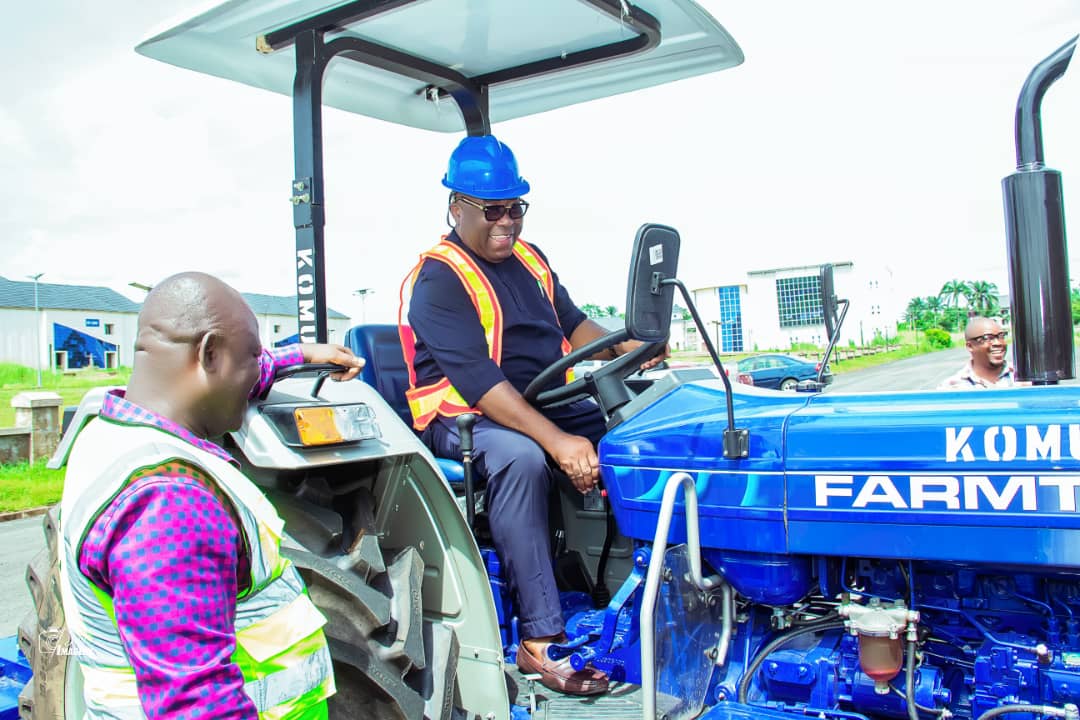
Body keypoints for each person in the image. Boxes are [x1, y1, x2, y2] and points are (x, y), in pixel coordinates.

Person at [399, 134, 664, 696]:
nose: (507, 221)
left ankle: (658, 593)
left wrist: (623, 345)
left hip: (537, 401)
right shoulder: (438, 279)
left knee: (643, 436)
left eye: (515, 207)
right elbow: (480, 384)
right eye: (492, 210)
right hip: (464, 419)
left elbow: (575, 325)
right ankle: (540, 641)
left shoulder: (530, 259)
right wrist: (559, 443)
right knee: (522, 458)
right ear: (456, 207)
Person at [58, 271, 363, 719]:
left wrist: (300, 355)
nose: (257, 376)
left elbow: (231, 373)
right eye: (252, 359)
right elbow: (197, 705)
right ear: (208, 354)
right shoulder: (170, 505)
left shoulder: (112, 432)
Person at [938, 316, 1018, 389]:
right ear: (970, 346)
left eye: (1001, 336)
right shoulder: (952, 387)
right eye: (987, 338)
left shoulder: (1023, 379)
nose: (998, 343)